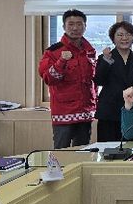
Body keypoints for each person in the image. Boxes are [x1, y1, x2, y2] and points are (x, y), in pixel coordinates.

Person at [38, 9, 97, 148]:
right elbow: (49, 79)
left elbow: (92, 82)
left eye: (79, 24)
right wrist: (61, 61)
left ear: (85, 26)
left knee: (83, 153)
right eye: (71, 24)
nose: (75, 28)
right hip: (64, 114)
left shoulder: (89, 50)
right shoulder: (53, 52)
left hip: (85, 113)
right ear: (64, 27)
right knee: (61, 154)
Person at [94, 21, 133, 141]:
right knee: (107, 148)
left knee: (132, 148)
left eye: (128, 34)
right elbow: (99, 80)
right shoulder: (105, 58)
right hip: (109, 113)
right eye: (120, 35)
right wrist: (106, 61)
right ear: (113, 38)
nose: (124, 38)